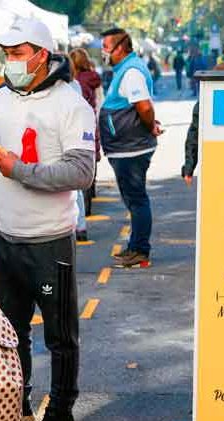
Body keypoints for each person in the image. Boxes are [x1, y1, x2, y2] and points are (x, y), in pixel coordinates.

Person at [0, 18, 96, 421]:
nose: (10, 60)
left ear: (42, 55)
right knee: (8, 332)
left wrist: (22, 171)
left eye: (17, 53)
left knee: (61, 335)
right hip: (6, 236)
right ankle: (18, 402)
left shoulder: (71, 104)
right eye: (7, 53)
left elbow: (82, 171)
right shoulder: (2, 98)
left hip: (51, 240)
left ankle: (62, 412)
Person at [99, 27, 162, 268]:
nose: (104, 52)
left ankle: (140, 250)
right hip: (127, 147)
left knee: (137, 200)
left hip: (131, 148)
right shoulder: (124, 70)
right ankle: (135, 246)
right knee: (133, 200)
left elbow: (144, 107)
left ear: (120, 48)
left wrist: (148, 126)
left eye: (106, 47)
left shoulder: (131, 72)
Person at [182, 62, 224, 186]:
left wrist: (188, 168)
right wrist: (188, 168)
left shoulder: (207, 100)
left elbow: (193, 136)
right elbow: (195, 135)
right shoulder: (207, 102)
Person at [70, 47, 103, 238]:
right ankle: (82, 223)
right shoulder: (93, 79)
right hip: (89, 126)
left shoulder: (72, 85)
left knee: (72, 186)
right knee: (85, 174)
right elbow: (100, 102)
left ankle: (79, 224)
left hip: (73, 133)